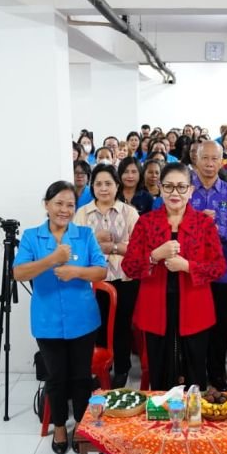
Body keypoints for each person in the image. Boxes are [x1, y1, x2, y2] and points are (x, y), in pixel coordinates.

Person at [14, 181, 107, 454]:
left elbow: (100, 271)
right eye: (58, 203)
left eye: (70, 204)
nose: (64, 210)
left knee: (80, 376)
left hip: (83, 319)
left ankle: (79, 423)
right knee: (55, 377)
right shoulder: (32, 237)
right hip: (47, 320)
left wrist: (76, 272)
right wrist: (52, 259)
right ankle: (57, 426)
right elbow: (19, 273)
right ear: (47, 205)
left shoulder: (84, 234)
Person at [122, 163, 225, 390]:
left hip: (195, 307)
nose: (175, 193)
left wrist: (188, 266)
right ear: (160, 188)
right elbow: (128, 266)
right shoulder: (146, 222)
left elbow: (218, 266)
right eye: (168, 187)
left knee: (195, 372)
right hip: (155, 308)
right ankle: (162, 421)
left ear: (190, 190)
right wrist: (154, 256)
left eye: (181, 187)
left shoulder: (204, 224)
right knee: (159, 373)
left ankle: (192, 421)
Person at [73, 164, 139, 388]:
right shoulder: (82, 213)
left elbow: (139, 248)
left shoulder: (129, 212)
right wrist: (96, 242)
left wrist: (109, 247)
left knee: (121, 326)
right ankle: (101, 368)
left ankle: (121, 369)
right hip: (93, 280)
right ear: (92, 187)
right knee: (95, 325)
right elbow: (74, 248)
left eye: (108, 183)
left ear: (117, 186)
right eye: (98, 184)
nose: (103, 188)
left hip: (124, 279)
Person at [190, 141, 227, 391]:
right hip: (192, 271)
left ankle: (217, 375)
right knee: (194, 325)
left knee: (221, 326)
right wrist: (197, 224)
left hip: (222, 270)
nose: (210, 164)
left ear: (221, 161)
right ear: (196, 160)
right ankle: (194, 376)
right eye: (205, 158)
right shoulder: (187, 190)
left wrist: (216, 229)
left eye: (215, 159)